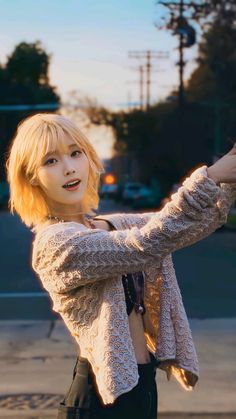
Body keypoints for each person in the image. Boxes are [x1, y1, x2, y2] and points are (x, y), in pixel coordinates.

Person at [6, 113, 236, 419]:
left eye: (76, 153)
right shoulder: (55, 245)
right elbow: (146, 244)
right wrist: (208, 177)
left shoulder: (110, 224)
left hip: (142, 388)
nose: (69, 167)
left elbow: (191, 225)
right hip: (99, 401)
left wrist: (226, 182)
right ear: (32, 176)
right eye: (50, 161)